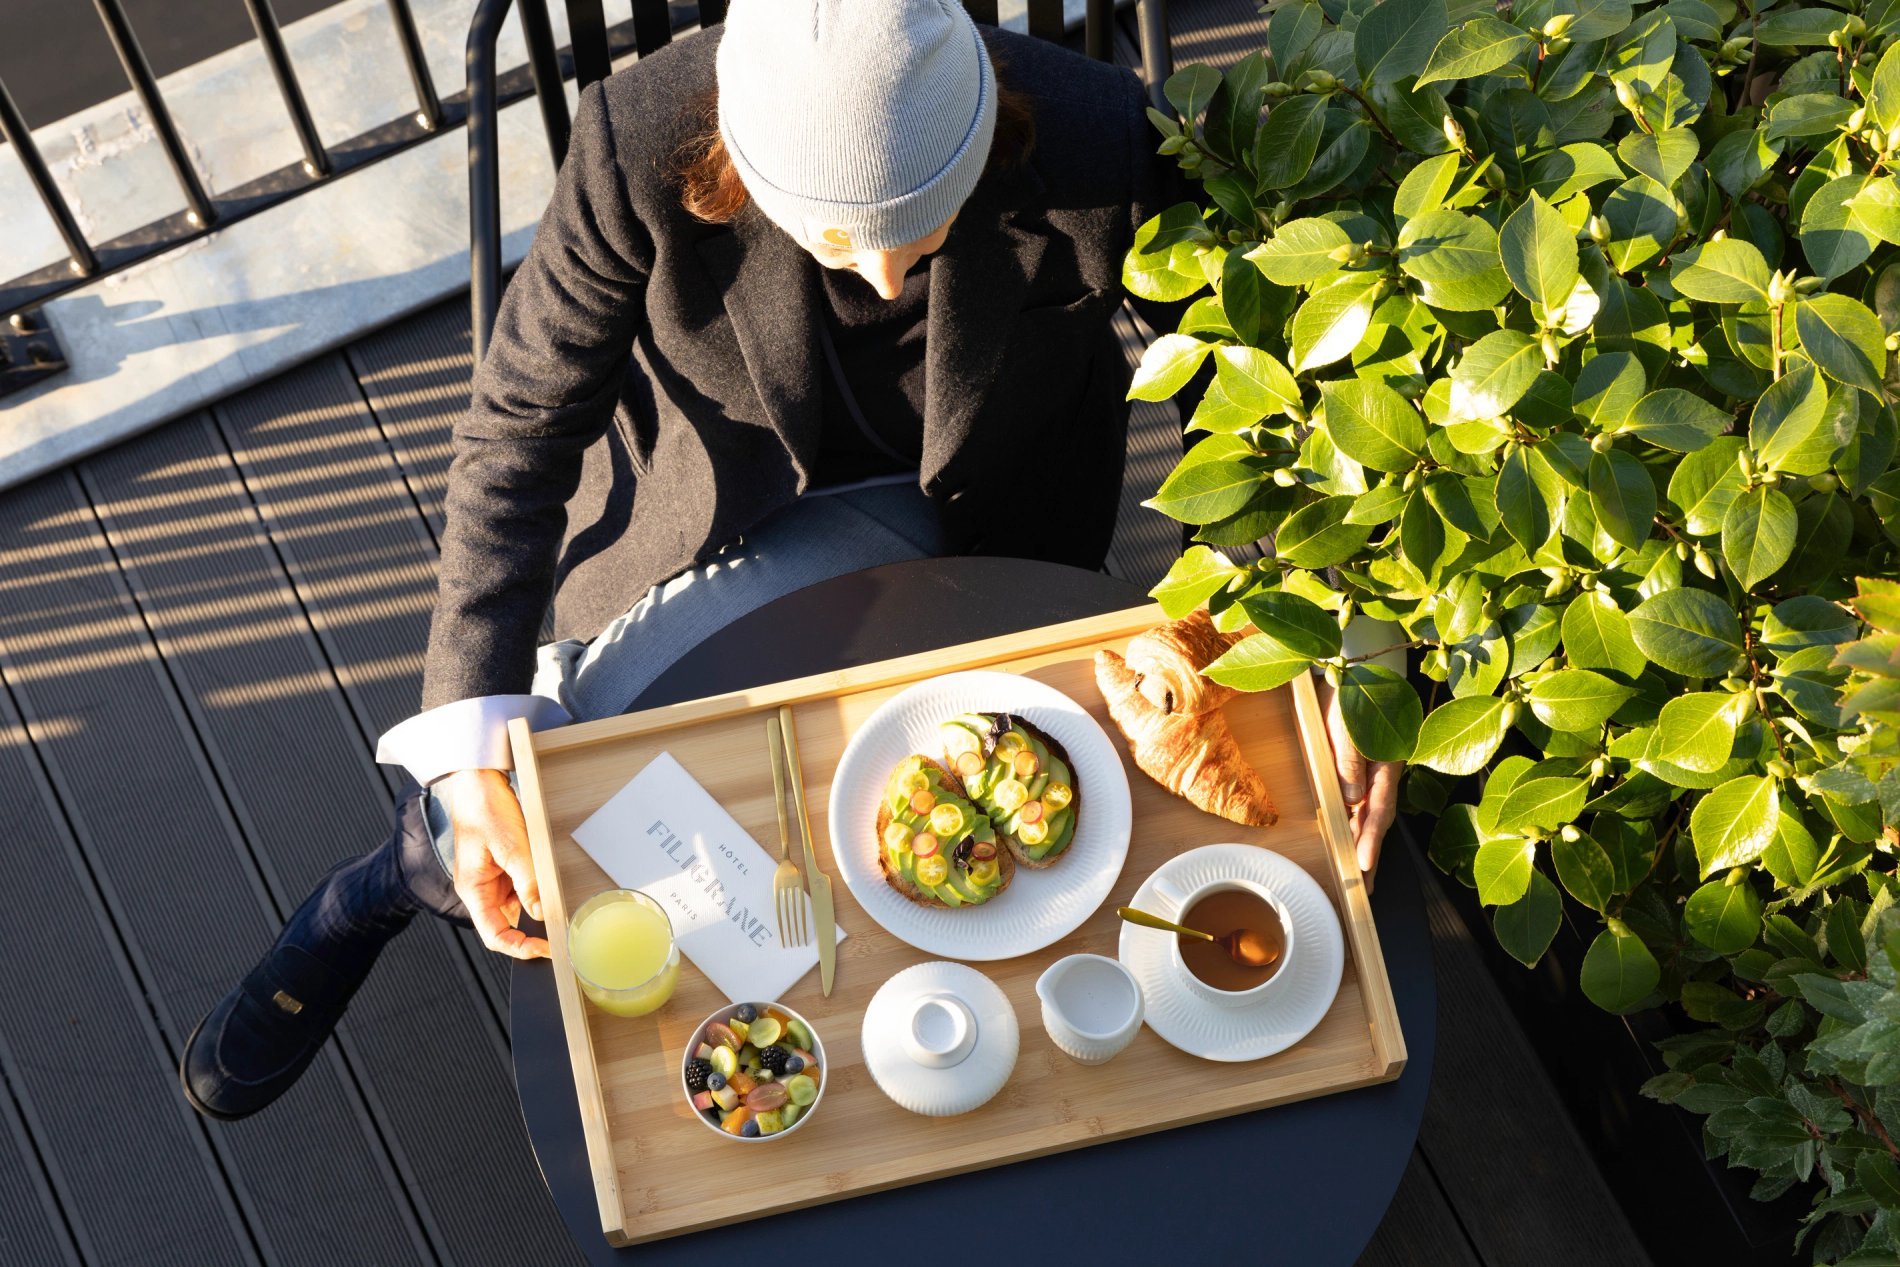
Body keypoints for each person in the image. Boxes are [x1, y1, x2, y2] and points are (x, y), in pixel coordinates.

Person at [179, 0, 1399, 1121]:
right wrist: (461, 732)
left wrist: (1325, 641)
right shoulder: (636, 137)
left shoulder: (1100, 136)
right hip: (708, 518)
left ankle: (416, 866)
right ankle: (385, 882)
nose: (881, 276)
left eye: (919, 230)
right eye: (835, 238)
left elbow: (1265, 400)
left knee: (974, 887)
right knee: (538, 777)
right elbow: (522, 426)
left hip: (976, 533)